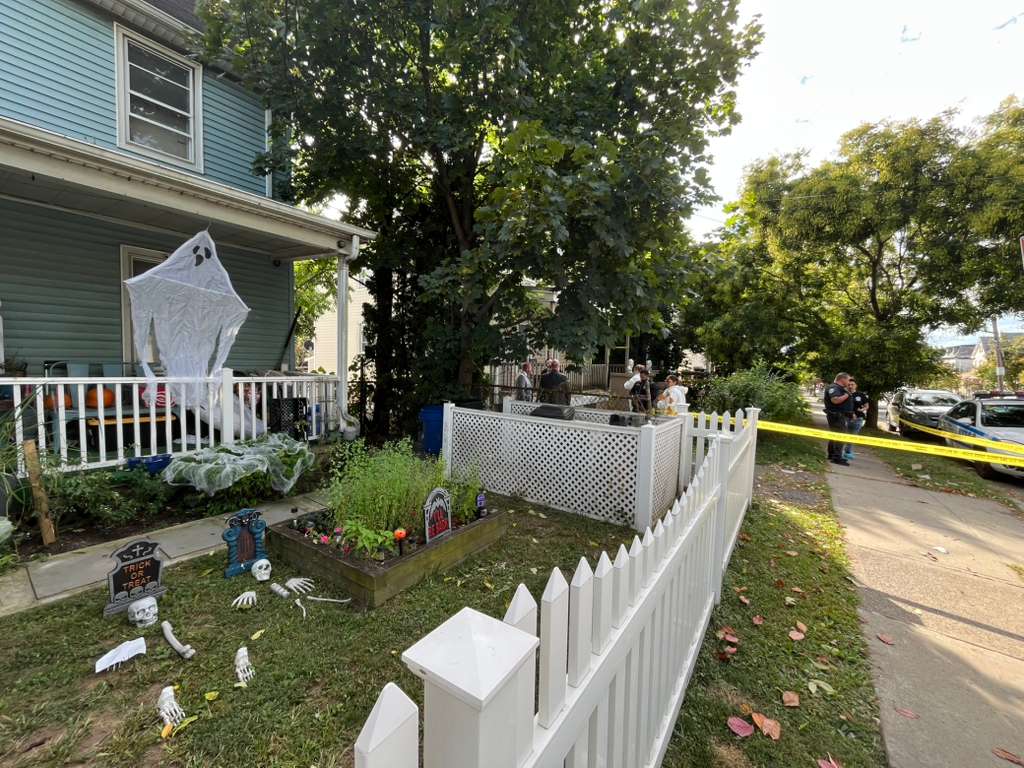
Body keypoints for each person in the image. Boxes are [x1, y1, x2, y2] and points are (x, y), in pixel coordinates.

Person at [824, 373, 854, 465]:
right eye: (848, 380)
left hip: (839, 415)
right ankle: (837, 457)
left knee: (835, 435)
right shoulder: (834, 388)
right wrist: (847, 395)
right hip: (836, 416)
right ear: (842, 379)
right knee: (840, 436)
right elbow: (835, 400)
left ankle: (832, 455)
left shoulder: (839, 388)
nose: (849, 383)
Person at [845, 379, 869, 460]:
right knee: (844, 435)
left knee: (853, 436)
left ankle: (847, 452)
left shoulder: (861, 395)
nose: (850, 386)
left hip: (858, 419)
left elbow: (866, 406)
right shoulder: (844, 394)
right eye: (849, 385)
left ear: (856, 385)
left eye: (852, 384)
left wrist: (861, 410)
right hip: (846, 418)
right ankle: (840, 451)